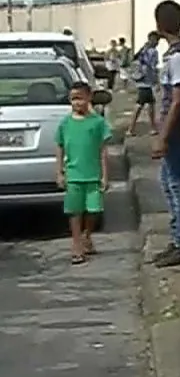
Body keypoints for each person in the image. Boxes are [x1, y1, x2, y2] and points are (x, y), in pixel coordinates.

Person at [149, 1, 180, 268]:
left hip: (179, 131)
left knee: (177, 185)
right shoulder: (174, 54)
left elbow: (178, 99)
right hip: (174, 129)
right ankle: (178, 236)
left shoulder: (179, 57)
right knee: (169, 185)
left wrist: (164, 135)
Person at [55, 81, 113, 265]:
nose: (76, 103)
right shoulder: (65, 124)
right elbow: (59, 147)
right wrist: (59, 172)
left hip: (93, 175)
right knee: (74, 211)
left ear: (89, 98)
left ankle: (87, 236)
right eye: (73, 99)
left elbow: (103, 150)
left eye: (80, 98)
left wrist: (105, 175)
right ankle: (76, 243)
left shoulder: (98, 123)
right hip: (74, 175)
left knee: (93, 210)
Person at [128, 32, 161, 137]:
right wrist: (157, 81)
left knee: (148, 104)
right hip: (146, 82)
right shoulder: (153, 52)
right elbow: (152, 67)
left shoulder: (143, 49)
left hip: (141, 80)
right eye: (157, 40)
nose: (157, 43)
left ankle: (151, 128)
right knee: (141, 105)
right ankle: (131, 129)